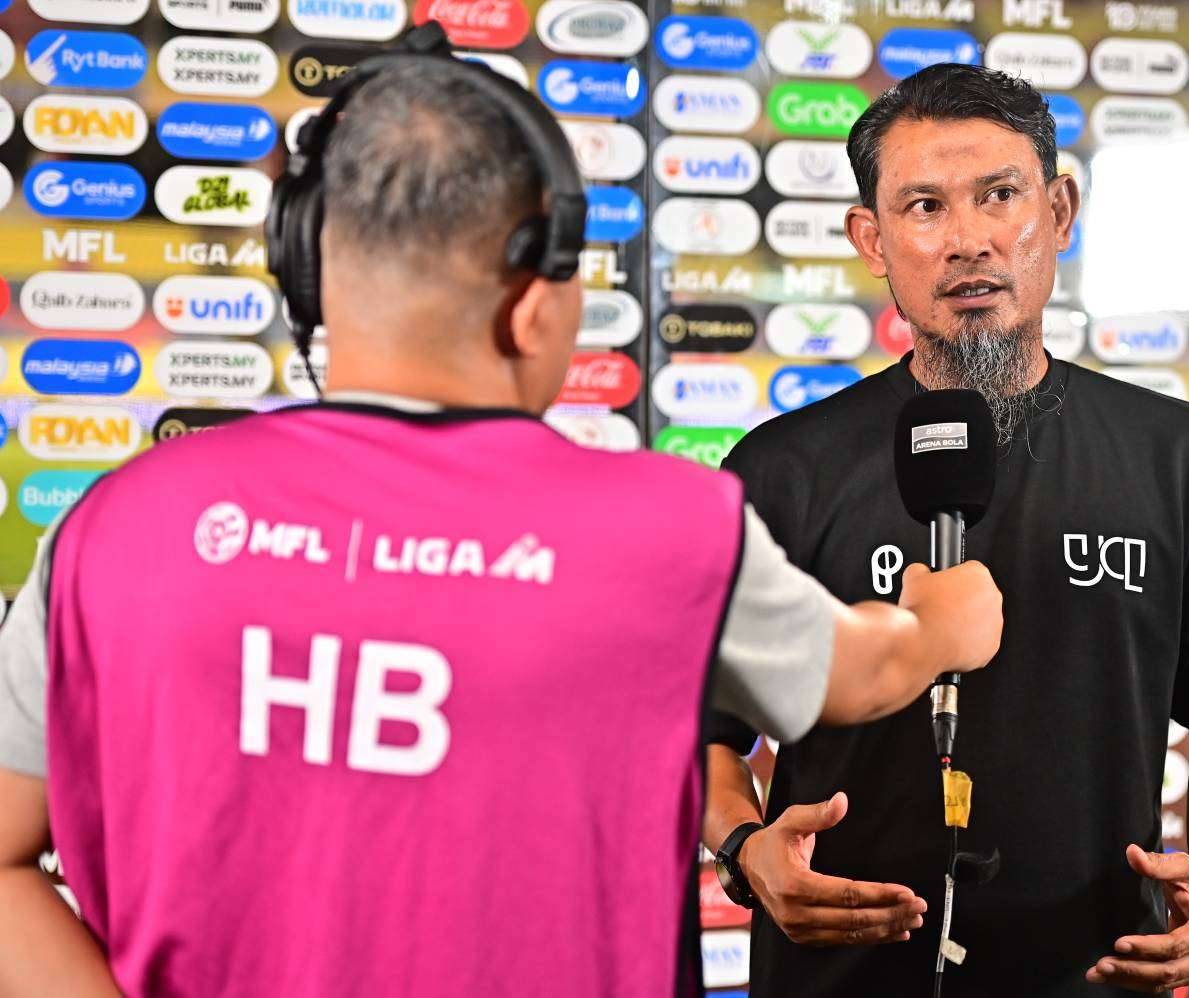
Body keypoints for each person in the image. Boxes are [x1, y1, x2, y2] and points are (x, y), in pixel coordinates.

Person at [0, 51, 1005, 997]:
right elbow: (866, 670)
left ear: (310, 274)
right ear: (533, 304)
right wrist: (944, 621)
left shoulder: (113, 529)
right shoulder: (662, 529)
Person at [701, 63, 1189, 996]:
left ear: (1058, 213)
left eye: (1000, 196)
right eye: (924, 207)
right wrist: (746, 850)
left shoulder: (1184, 456)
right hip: (835, 977)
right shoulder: (781, 468)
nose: (969, 240)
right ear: (871, 239)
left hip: (1099, 972)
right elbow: (701, 730)